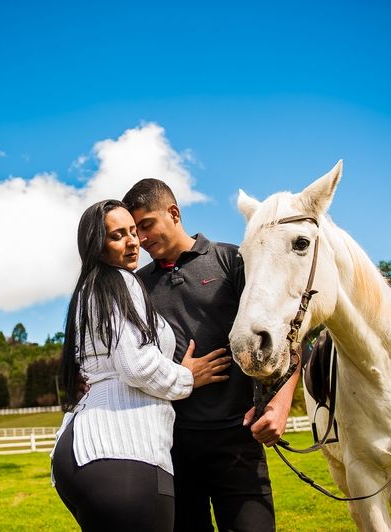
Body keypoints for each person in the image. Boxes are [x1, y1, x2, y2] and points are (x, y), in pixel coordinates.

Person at [122, 179, 300, 532]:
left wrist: (280, 404)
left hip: (237, 442)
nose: (140, 239)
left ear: (173, 213)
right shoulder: (135, 286)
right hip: (171, 448)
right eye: (133, 230)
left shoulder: (231, 260)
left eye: (146, 225)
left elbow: (289, 336)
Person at [51, 199, 232, 532]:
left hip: (78, 453)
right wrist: (187, 378)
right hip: (124, 452)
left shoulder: (89, 290)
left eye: (133, 232)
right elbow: (137, 365)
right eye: (117, 235)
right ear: (97, 245)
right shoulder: (120, 281)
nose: (133, 241)